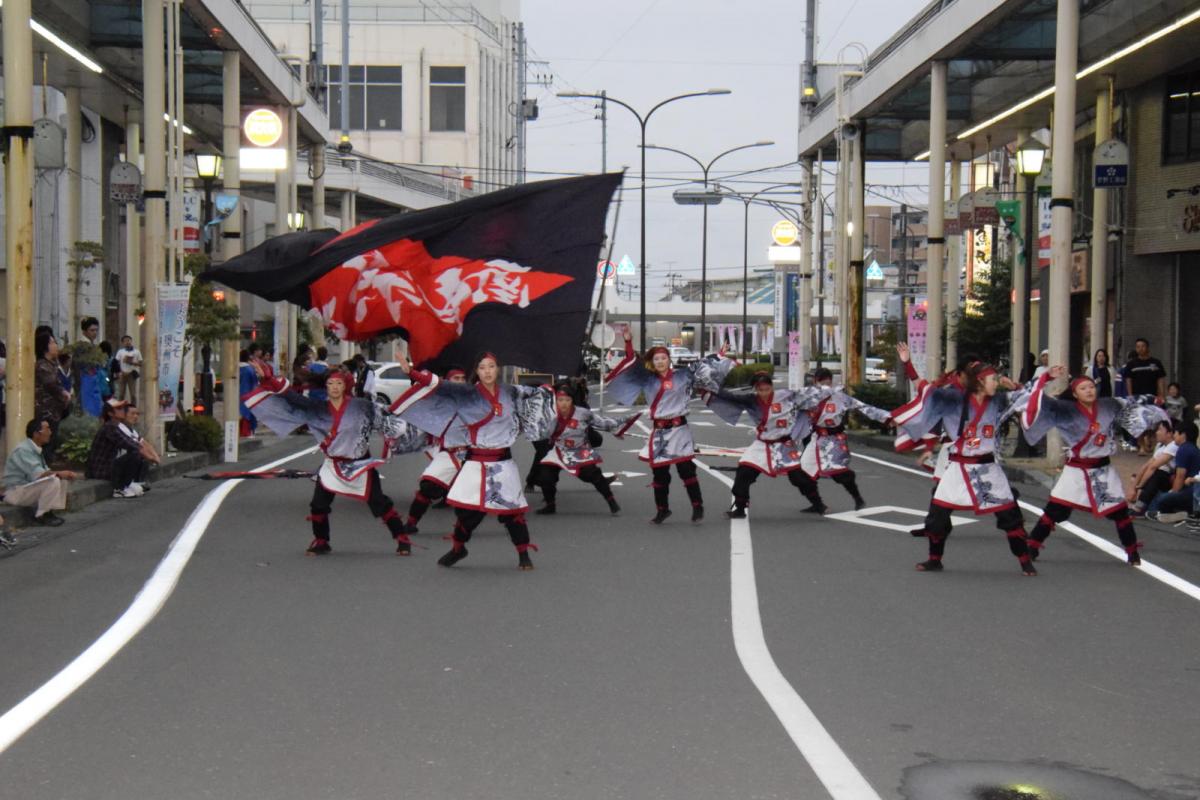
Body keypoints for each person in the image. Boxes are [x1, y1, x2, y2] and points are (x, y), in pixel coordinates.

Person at [391, 352, 555, 570]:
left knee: (512, 512)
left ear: (497, 369)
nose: (487, 371)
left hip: (503, 463)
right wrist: (411, 372)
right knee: (468, 514)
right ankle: (459, 548)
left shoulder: (510, 391)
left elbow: (537, 393)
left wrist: (552, 391)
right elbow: (439, 385)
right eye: (482, 367)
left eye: (491, 366)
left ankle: (523, 553)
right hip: (476, 462)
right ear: (476, 372)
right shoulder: (466, 393)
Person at [243, 366, 425, 556]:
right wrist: (271, 379)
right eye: (330, 384)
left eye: (339, 383)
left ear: (345, 385)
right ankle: (322, 541)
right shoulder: (318, 408)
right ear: (326, 387)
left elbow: (388, 422)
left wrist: (404, 435)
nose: (335, 387)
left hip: (359, 465)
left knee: (379, 503)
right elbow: (293, 399)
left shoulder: (362, 406)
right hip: (333, 465)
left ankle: (402, 539)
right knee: (318, 504)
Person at [893, 361, 1038, 576]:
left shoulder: (998, 401)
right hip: (958, 467)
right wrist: (908, 364)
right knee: (937, 515)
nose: (996, 383)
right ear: (980, 381)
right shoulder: (953, 400)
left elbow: (1030, 395)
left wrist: (1022, 384)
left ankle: (1025, 561)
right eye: (993, 379)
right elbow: (925, 389)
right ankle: (935, 560)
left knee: (1010, 517)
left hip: (988, 469)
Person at [1021, 366, 1169, 566]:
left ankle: (1132, 551)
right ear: (1074, 394)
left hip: (1103, 470)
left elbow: (1132, 401)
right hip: (1076, 471)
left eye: (1091, 387)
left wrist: (1154, 400)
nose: (1089, 390)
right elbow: (1036, 400)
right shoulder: (1064, 409)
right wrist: (1046, 377)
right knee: (1055, 511)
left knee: (1119, 512)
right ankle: (1033, 546)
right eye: (1083, 388)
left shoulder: (1108, 404)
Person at [605, 329, 734, 524]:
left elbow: (705, 365)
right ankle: (662, 510)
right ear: (653, 362)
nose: (659, 362)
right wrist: (628, 342)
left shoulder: (684, 375)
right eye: (656, 359)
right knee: (660, 474)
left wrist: (720, 355)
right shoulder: (647, 378)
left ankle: (697, 506)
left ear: (669, 359)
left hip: (679, 430)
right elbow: (632, 361)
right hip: (659, 433)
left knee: (686, 471)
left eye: (663, 358)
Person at [704, 371, 831, 517]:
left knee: (797, 477)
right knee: (744, 473)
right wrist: (709, 387)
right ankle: (739, 508)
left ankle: (818, 504)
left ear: (772, 387)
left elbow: (807, 394)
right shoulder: (751, 399)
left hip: (784, 445)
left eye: (767, 389)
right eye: (760, 389)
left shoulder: (786, 395)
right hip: (762, 445)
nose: (764, 392)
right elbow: (729, 396)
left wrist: (828, 390)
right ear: (755, 389)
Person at [533, 380, 638, 516]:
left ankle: (611, 501)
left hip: (579, 451)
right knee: (545, 476)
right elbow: (541, 432)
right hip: (559, 450)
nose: (563, 403)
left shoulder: (583, 413)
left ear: (572, 400)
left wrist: (624, 420)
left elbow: (603, 423)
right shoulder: (550, 414)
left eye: (567, 399)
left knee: (593, 476)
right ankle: (550, 505)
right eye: (560, 400)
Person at [798, 367, 892, 512]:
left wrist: (887, 418)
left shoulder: (838, 397)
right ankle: (817, 504)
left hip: (833, 439)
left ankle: (857, 498)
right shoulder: (812, 396)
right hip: (817, 438)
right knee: (804, 472)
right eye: (823, 382)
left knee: (838, 473)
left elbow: (863, 407)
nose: (824, 386)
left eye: (826, 382)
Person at [400, 368, 470, 534]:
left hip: (473, 455)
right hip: (449, 453)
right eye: (456, 378)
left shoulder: (475, 400)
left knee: (480, 496)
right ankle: (411, 523)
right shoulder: (439, 401)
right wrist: (410, 371)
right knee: (428, 487)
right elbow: (429, 382)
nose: (460, 381)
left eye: (462, 378)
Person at [3, 417, 79, 526]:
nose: (50, 432)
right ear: (36, 434)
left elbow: (44, 472)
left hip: (25, 489)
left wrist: (62, 475)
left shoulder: (34, 449)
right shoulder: (23, 450)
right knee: (53, 480)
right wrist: (60, 473)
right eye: (47, 429)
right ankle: (42, 515)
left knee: (59, 479)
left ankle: (49, 511)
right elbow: (38, 474)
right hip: (15, 492)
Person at [85, 399, 150, 498]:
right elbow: (129, 444)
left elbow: (134, 442)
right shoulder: (110, 427)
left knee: (138, 455)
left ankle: (129, 483)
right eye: (119, 409)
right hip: (101, 470)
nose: (123, 410)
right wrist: (146, 453)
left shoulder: (117, 426)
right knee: (135, 453)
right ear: (110, 413)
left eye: (123, 408)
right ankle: (119, 488)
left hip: (109, 466)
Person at [1144, 423, 1200, 523]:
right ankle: (1171, 512)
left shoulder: (1183, 449)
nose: (1174, 436)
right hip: (1193, 491)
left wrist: (1173, 492)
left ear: (1183, 435)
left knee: (1164, 498)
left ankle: (1164, 514)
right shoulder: (1193, 448)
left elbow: (1180, 476)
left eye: (1176, 433)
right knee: (1161, 482)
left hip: (1192, 492)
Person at [1128, 419, 1182, 515]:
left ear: (1169, 433)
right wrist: (1134, 487)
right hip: (1159, 476)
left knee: (1157, 474)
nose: (1157, 433)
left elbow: (1153, 467)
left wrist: (1139, 486)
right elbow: (1146, 466)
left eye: (1160, 430)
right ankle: (1138, 503)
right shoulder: (1160, 446)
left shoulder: (1173, 446)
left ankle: (1139, 507)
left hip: (1169, 479)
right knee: (1138, 476)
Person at [34, 332, 71, 464]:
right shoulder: (42, 365)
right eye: (52, 342)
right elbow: (51, 384)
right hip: (46, 410)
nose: (56, 345)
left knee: (51, 441)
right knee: (46, 444)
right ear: (45, 347)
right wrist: (64, 394)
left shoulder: (52, 364)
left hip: (54, 411)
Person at [1124, 338, 1166, 403]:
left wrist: (1162, 395)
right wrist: (1130, 395)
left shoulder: (1156, 363)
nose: (1140, 349)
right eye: (1138, 347)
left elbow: (1160, 380)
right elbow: (1128, 381)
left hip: (1153, 397)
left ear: (1147, 348)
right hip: (1137, 397)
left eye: (1143, 346)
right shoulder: (1131, 364)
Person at [116, 335, 143, 402]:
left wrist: (131, 362)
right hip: (122, 374)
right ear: (123, 343)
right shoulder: (120, 352)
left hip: (131, 373)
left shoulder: (137, 351)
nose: (127, 342)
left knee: (133, 394)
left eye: (129, 340)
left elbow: (141, 363)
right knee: (121, 394)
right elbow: (117, 363)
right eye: (125, 341)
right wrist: (119, 372)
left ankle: (133, 409)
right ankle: (120, 409)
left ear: (131, 341)